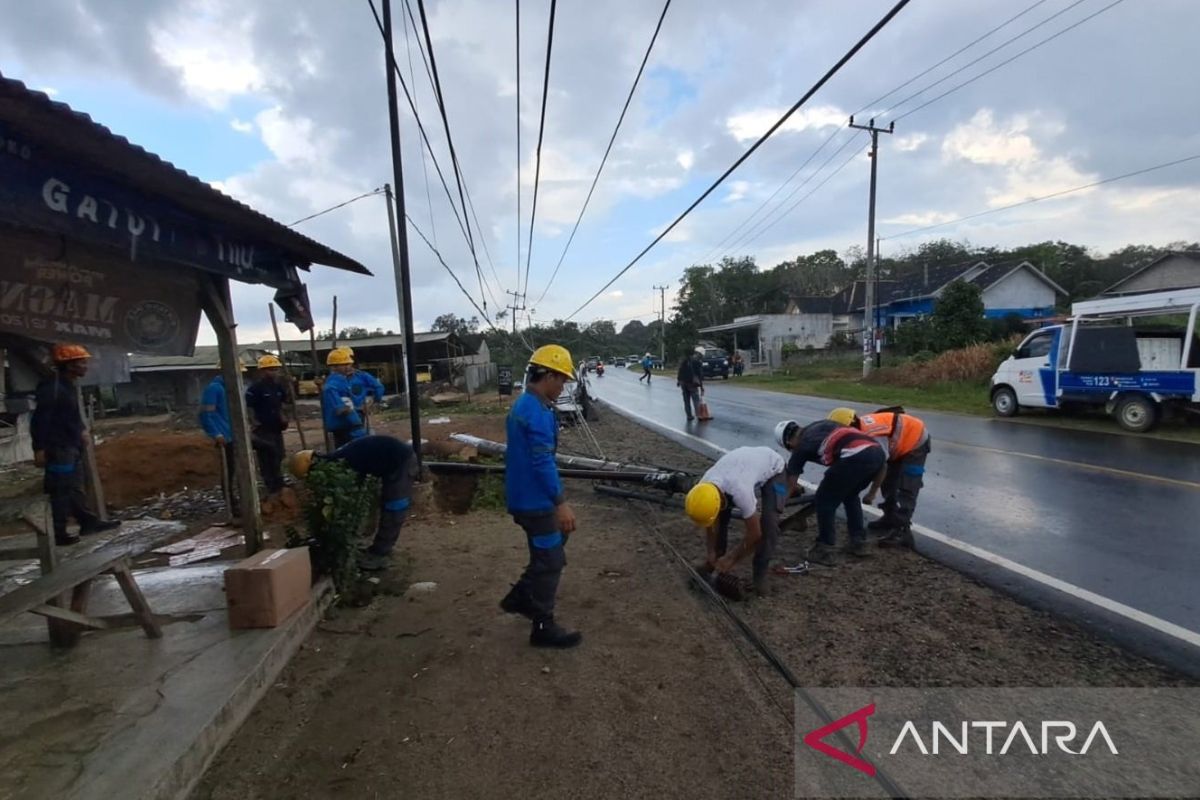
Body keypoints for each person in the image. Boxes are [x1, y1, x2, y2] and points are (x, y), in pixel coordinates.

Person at [499, 343, 582, 649]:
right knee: (550, 561)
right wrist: (560, 503)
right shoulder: (535, 412)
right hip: (535, 502)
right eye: (560, 379)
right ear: (545, 376)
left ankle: (521, 595)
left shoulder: (528, 405)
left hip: (526, 496)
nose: (562, 386)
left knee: (554, 543)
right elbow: (542, 461)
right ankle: (543, 626)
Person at [31, 344, 120, 546]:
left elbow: (69, 416)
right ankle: (58, 532)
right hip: (58, 447)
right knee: (60, 490)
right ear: (69, 365)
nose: (85, 366)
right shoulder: (53, 388)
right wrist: (39, 448)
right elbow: (40, 419)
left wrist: (80, 430)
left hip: (70, 445)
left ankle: (88, 522)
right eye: (81, 362)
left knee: (74, 487)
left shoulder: (67, 385)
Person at [289, 435, 417, 571]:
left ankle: (380, 555)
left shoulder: (341, 465)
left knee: (394, 509)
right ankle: (379, 548)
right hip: (391, 461)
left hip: (402, 462)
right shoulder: (336, 459)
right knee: (387, 507)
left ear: (313, 468)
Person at [776, 417, 886, 566]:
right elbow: (883, 464)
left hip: (853, 455)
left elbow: (790, 484)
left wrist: (778, 507)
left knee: (824, 500)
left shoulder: (802, 445)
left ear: (788, 443)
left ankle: (824, 549)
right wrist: (872, 492)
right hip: (877, 453)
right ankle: (859, 543)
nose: (792, 451)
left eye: (790, 449)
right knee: (850, 495)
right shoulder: (822, 424)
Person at [684, 446, 787, 596]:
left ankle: (760, 574)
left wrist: (732, 558)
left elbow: (755, 534)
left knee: (769, 525)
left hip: (774, 469)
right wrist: (711, 551)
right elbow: (711, 522)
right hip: (743, 467)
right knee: (722, 517)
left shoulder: (740, 491)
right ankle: (716, 558)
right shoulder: (704, 487)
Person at [829, 407, 930, 548]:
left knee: (906, 486)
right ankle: (890, 517)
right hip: (897, 443)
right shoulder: (858, 430)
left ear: (849, 426)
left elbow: (881, 466)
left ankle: (902, 532)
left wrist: (871, 493)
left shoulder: (872, 435)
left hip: (916, 440)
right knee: (889, 482)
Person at [199, 363, 242, 517]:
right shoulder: (215, 389)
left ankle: (238, 502)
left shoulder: (229, 389)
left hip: (233, 435)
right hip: (224, 437)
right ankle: (231, 505)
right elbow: (205, 415)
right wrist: (216, 433)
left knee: (236, 470)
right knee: (228, 472)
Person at [245, 355, 290, 501]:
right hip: (263, 428)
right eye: (271, 370)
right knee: (267, 456)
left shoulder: (278, 387)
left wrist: (283, 416)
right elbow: (249, 406)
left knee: (279, 455)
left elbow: (283, 403)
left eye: (276, 369)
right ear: (262, 371)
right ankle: (270, 485)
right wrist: (253, 421)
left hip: (276, 427)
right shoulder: (255, 388)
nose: (274, 372)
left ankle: (279, 483)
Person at [322, 348, 366, 447]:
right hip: (345, 430)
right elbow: (340, 410)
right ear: (333, 367)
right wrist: (349, 410)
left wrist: (357, 408)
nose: (348, 367)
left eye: (349, 364)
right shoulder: (332, 386)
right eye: (344, 365)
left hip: (351, 427)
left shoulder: (343, 381)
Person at [341, 346, 386, 433]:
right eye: (342, 363)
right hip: (340, 415)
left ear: (352, 362)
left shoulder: (362, 376)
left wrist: (370, 404)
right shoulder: (334, 379)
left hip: (357, 413)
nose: (345, 366)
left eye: (347, 363)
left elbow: (379, 387)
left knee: (356, 438)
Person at [676, 349, 704, 421]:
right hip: (692, 383)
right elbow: (699, 375)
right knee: (695, 399)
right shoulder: (697, 362)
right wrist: (701, 387)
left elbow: (680, 370)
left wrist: (678, 380)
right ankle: (699, 415)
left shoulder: (685, 360)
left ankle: (689, 416)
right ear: (699, 354)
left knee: (686, 400)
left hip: (683, 382)